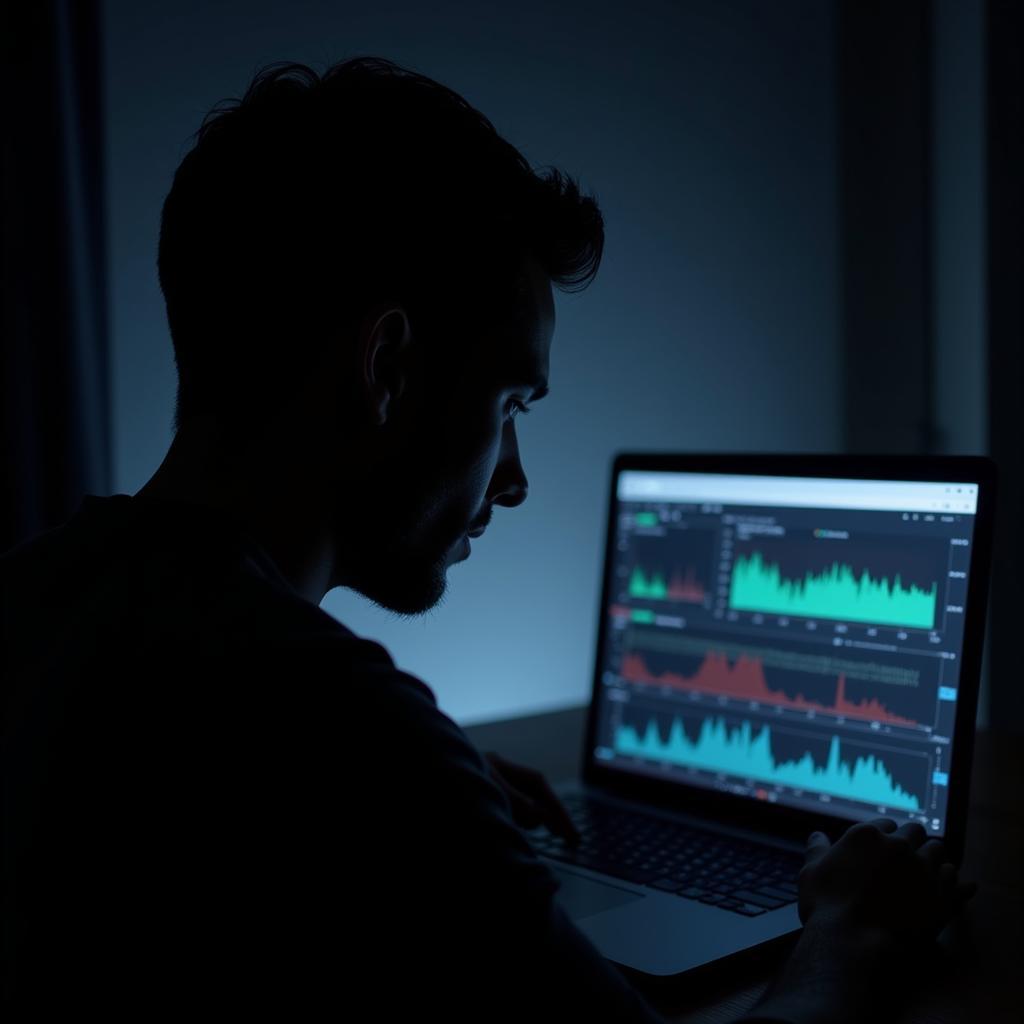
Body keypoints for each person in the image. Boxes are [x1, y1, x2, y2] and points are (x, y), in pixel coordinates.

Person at [0, 57, 975, 1020]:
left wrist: (438, 806)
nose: (512, 479)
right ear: (385, 366)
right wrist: (845, 925)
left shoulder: (29, 599)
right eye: (510, 402)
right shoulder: (354, 739)